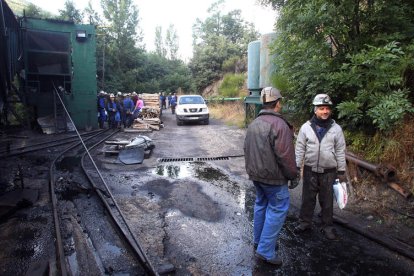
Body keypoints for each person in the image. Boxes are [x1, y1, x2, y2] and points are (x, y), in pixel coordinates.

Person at [244, 86, 297, 266]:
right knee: (277, 208)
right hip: (273, 178)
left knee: (261, 205)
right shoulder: (279, 125)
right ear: (278, 103)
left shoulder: (254, 123)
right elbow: (285, 155)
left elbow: (246, 149)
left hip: (256, 176)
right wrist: (293, 175)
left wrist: (252, 172)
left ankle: (259, 242)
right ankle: (266, 251)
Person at [295, 94, 346, 240]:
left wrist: (341, 171)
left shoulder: (336, 129)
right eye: (322, 108)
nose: (325, 111)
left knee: (327, 201)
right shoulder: (306, 128)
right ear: (315, 110)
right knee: (307, 199)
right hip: (310, 170)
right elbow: (299, 149)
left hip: (329, 172)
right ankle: (304, 222)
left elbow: (340, 151)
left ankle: (327, 226)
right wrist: (297, 167)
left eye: (327, 108)